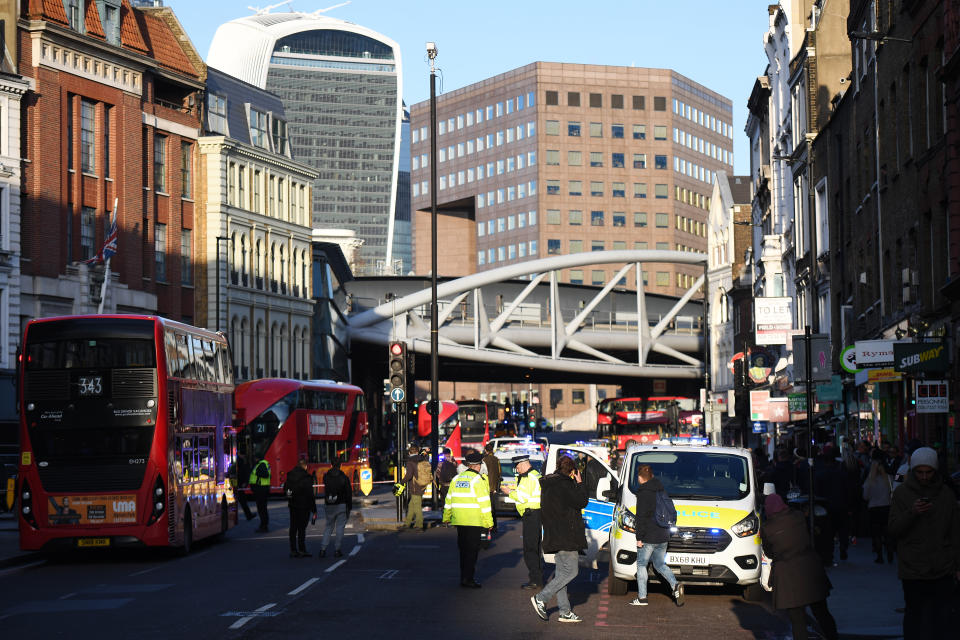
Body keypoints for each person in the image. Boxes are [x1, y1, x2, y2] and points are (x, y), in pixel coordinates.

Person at [888, 446, 960, 639]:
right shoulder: (902, 493)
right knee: (915, 616)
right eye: (920, 472)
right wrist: (912, 513)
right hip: (914, 568)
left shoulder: (946, 495)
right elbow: (894, 529)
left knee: (942, 618)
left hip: (941, 566)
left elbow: (954, 531)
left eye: (928, 472)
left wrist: (957, 564)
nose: (924, 477)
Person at [761, 493, 838, 640]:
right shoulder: (798, 516)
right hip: (809, 569)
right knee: (822, 612)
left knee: (798, 620)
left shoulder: (767, 528)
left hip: (787, 575)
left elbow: (769, 553)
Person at [531, 454, 588, 624]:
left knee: (562, 574)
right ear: (572, 471)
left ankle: (565, 611)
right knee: (572, 572)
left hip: (554, 534)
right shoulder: (566, 484)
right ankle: (541, 598)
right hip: (567, 536)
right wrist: (580, 483)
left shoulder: (549, 483)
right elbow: (582, 501)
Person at [629, 463, 684, 607]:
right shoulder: (661, 489)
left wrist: (639, 538)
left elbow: (640, 517)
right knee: (659, 564)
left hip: (648, 536)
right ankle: (675, 585)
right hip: (663, 535)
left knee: (641, 564)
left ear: (641, 478)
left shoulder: (643, 493)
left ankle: (642, 598)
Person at [442, 451, 493, 588]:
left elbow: (449, 500)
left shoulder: (456, 479)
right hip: (474, 521)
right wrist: (489, 523)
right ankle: (468, 579)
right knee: (472, 552)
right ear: (477, 465)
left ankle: (463, 577)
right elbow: (484, 503)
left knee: (463, 551)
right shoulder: (478, 480)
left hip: (459, 521)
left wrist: (446, 517)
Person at [503, 454, 543, 589]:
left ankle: (535, 580)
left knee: (530, 549)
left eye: (517, 467)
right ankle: (538, 577)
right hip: (535, 514)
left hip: (531, 515)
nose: (517, 470)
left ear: (523, 464)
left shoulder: (528, 477)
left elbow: (522, 497)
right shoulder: (534, 474)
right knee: (535, 548)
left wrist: (509, 492)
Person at [861, 448, 893, 564]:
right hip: (887, 506)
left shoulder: (869, 481)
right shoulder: (889, 479)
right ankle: (890, 552)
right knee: (887, 531)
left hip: (874, 507)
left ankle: (879, 556)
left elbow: (865, 496)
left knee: (876, 533)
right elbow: (893, 491)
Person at [283, 456, 316, 558]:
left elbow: (285, 489)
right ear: (305, 466)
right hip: (304, 506)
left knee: (293, 528)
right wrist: (314, 509)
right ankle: (302, 549)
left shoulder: (290, 475)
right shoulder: (306, 477)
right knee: (302, 529)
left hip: (293, 505)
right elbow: (310, 494)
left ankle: (293, 550)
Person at [319, 458, 352, 558]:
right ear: (340, 465)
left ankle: (322, 549)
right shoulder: (344, 478)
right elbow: (348, 493)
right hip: (341, 504)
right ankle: (337, 550)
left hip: (329, 504)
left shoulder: (326, 477)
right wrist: (349, 506)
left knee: (328, 526)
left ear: (331, 464)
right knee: (340, 528)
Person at [401, 444, 428, 531]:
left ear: (409, 452)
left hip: (415, 486)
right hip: (422, 484)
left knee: (417, 506)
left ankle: (419, 525)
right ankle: (407, 523)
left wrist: (401, 482)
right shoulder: (422, 459)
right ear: (417, 451)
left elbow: (409, 475)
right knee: (411, 504)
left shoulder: (410, 461)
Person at [482, 442, 502, 532]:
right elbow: (499, 473)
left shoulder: (484, 460)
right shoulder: (496, 459)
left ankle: (487, 525)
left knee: (485, 507)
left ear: (486, 450)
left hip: (485, 487)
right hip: (494, 487)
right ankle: (494, 526)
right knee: (492, 508)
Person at [249, 454, 271, 532]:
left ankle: (264, 526)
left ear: (257, 458)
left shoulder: (262, 464)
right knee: (262, 508)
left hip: (261, 489)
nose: (254, 459)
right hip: (262, 489)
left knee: (262, 509)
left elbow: (265, 474)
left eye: (255, 458)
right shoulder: (263, 463)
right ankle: (264, 525)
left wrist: (258, 473)